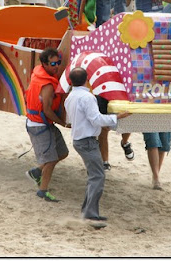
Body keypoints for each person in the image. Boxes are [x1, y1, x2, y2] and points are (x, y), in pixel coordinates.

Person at [65, 67, 130, 221]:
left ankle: (87, 210)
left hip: (79, 140)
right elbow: (96, 119)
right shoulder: (88, 97)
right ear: (87, 80)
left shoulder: (70, 97)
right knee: (97, 176)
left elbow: (73, 120)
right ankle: (90, 213)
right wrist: (117, 117)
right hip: (87, 141)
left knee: (94, 176)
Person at [24, 48, 69, 202]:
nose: (57, 66)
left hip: (44, 124)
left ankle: (36, 172)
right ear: (44, 64)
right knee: (50, 160)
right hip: (39, 126)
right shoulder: (48, 85)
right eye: (53, 64)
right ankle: (42, 191)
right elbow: (47, 110)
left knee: (62, 153)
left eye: (58, 63)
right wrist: (62, 122)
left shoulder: (40, 74)